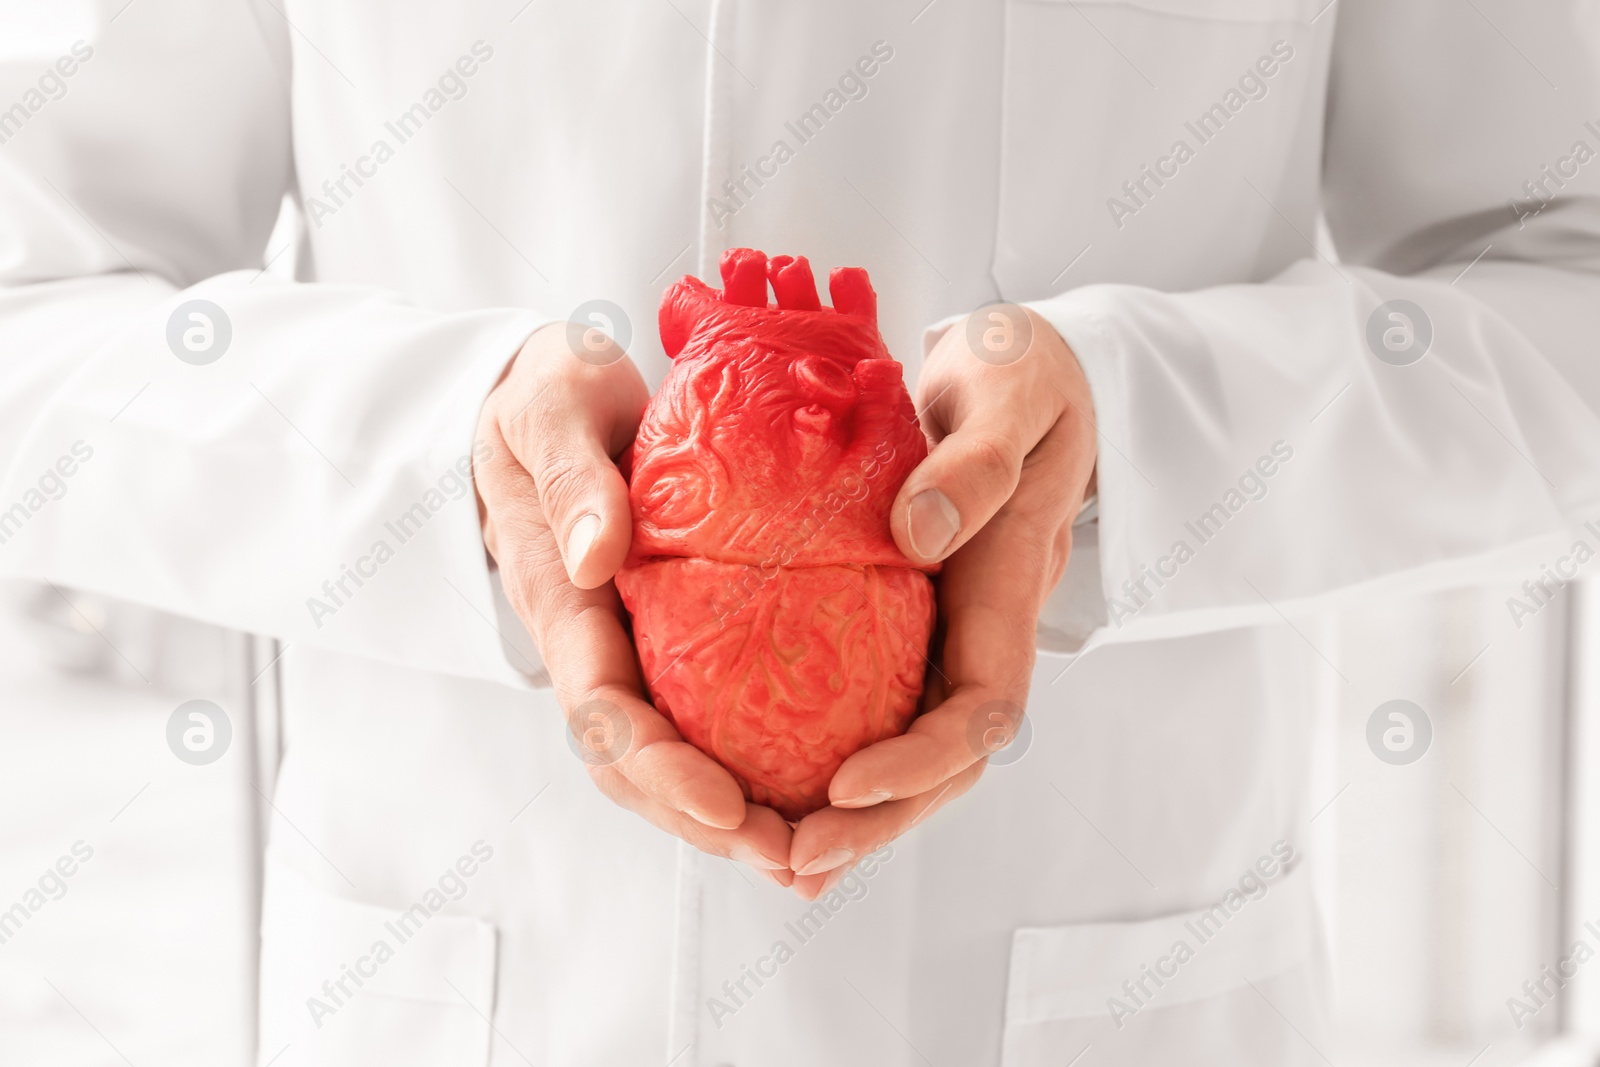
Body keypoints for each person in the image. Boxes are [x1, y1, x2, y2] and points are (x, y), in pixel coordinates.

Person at [2, 1, 1597, 1064]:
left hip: (1124, 987)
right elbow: (35, 297)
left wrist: (1148, 436)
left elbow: (1567, 278)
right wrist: (450, 462)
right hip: (475, 983)